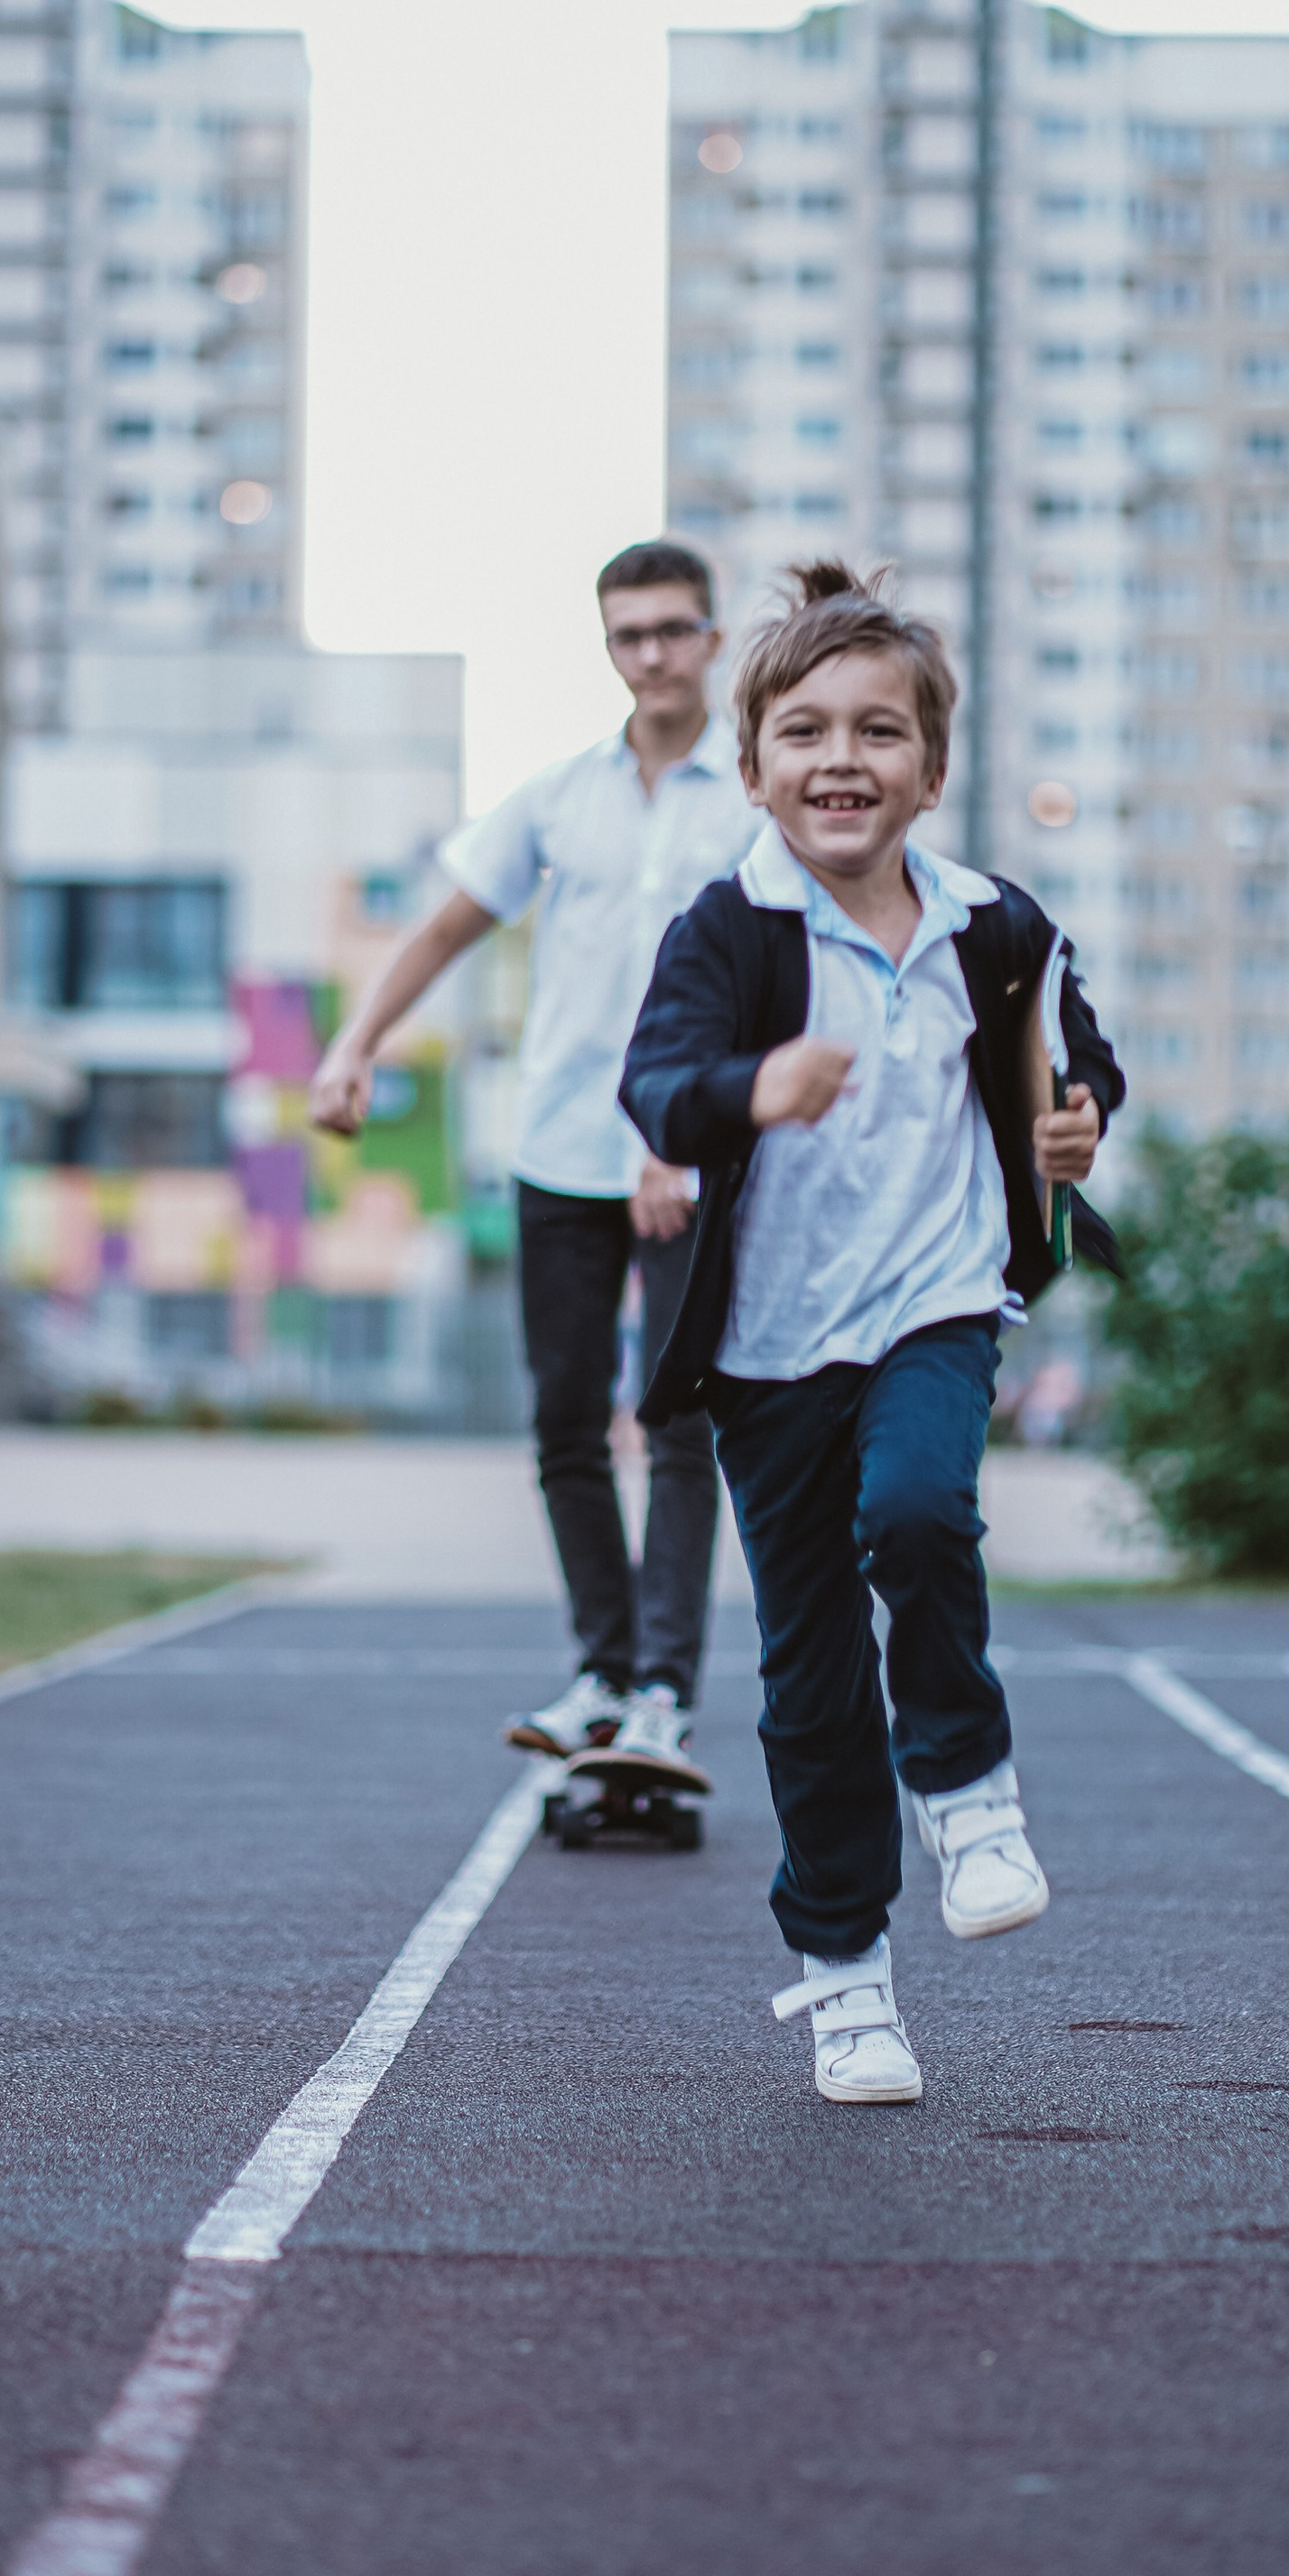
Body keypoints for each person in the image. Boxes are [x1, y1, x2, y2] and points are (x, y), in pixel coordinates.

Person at [620, 562, 1126, 2106]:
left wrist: (1080, 1124)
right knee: (812, 1678)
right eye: (809, 733)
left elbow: (1076, 1058)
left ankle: (968, 1784)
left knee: (918, 1508)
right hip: (771, 1354)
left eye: (881, 733)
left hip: (937, 1304)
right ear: (758, 765)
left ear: (932, 767)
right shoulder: (731, 930)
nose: (845, 759)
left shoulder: (995, 926)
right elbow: (657, 1084)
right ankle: (846, 1978)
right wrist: (746, 1094)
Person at [311, 538, 759, 1779]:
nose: (653, 655)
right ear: (609, 649)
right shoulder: (562, 796)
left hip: (690, 1162)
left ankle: (666, 1689)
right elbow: (450, 920)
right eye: (630, 635)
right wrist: (357, 1040)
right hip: (559, 1149)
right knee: (565, 1423)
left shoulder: (757, 802)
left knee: (675, 1426)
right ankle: (603, 1674)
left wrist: (692, 1128)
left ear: (714, 640)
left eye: (674, 629)